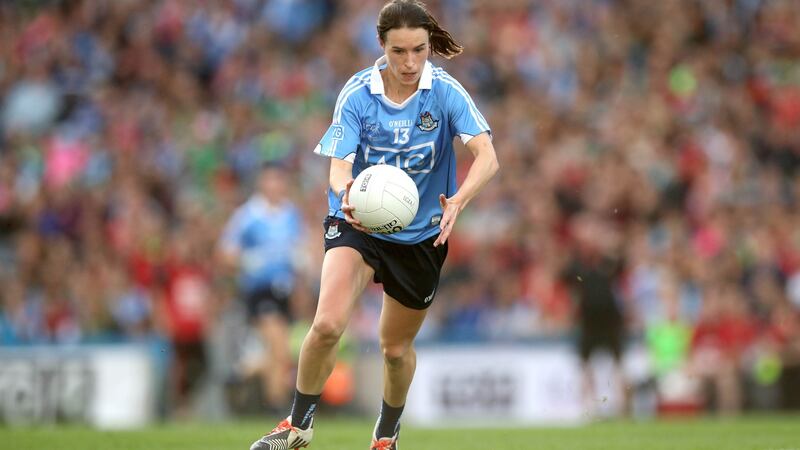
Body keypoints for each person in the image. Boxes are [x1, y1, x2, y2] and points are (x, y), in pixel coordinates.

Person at [249, 1, 499, 449]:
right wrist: (346, 195)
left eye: (419, 50)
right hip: (359, 222)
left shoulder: (445, 92)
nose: (410, 62)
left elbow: (487, 156)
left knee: (395, 350)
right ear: (381, 45)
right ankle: (298, 427)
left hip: (420, 235)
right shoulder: (357, 94)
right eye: (399, 51)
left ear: (429, 46)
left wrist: (460, 199)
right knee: (327, 325)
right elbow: (338, 168)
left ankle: (386, 435)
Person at [218, 162, 305, 413]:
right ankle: (277, 406)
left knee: (278, 350)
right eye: (270, 180)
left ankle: (243, 371)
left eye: (279, 180)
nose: (275, 185)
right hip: (260, 290)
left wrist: (300, 263)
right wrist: (245, 261)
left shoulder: (291, 214)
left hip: (284, 291)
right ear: (261, 183)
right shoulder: (248, 216)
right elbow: (225, 252)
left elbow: (298, 248)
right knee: (279, 347)